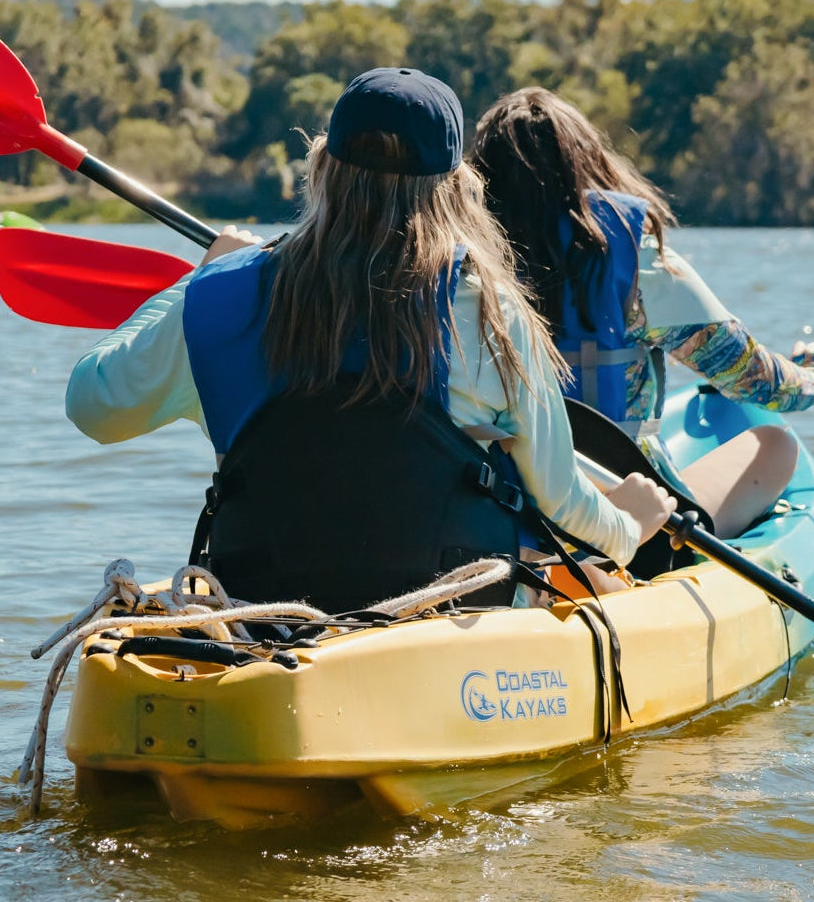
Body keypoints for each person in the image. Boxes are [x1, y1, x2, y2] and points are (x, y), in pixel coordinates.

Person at [64, 68, 676, 614]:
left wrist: (202, 280)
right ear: (457, 186)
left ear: (322, 167)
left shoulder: (224, 297)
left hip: (261, 609)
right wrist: (629, 527)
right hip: (451, 610)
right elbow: (561, 502)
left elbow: (93, 407)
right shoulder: (488, 309)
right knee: (601, 585)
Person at [469, 87, 814, 551]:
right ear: (587, 165)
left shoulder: (464, 266)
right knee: (776, 444)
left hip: (496, 509)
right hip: (629, 520)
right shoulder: (635, 262)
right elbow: (759, 384)